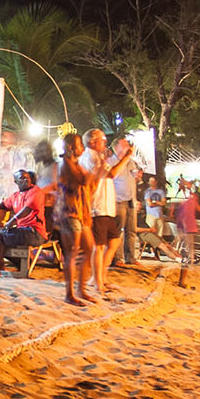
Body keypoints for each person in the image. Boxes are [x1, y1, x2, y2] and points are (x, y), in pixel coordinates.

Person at [79, 128, 133, 296]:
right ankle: (97, 282)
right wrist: (126, 157)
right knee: (99, 246)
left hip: (107, 207)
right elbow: (111, 174)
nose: (105, 142)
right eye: (102, 140)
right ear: (92, 142)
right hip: (97, 207)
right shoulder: (90, 157)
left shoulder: (98, 156)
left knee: (114, 241)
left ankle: (100, 276)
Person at [54, 131, 96, 304]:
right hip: (69, 212)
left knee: (88, 248)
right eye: (80, 145)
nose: (82, 149)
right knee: (72, 252)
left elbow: (90, 185)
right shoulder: (65, 164)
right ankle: (69, 293)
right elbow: (82, 181)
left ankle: (81, 289)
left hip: (81, 212)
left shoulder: (76, 164)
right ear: (71, 147)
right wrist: (96, 171)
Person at [0, 169, 49, 276]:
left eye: (27, 177)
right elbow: (6, 204)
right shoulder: (16, 196)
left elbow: (27, 209)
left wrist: (11, 221)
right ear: (16, 182)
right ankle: (2, 266)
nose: (26, 180)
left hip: (35, 232)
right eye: (22, 178)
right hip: (23, 230)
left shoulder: (36, 192)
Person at [172, 182, 200, 265]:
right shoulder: (184, 197)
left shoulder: (189, 198)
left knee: (182, 241)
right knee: (186, 242)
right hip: (185, 223)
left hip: (184, 222)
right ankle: (188, 258)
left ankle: (187, 258)